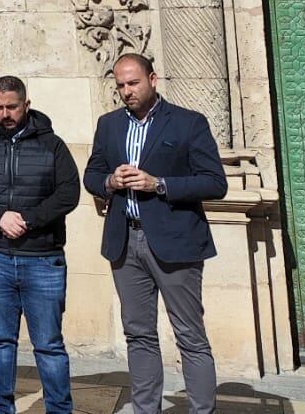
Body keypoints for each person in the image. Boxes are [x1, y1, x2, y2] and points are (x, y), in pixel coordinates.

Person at [84, 54, 227, 414]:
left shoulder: (188, 123)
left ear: (152, 79)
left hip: (175, 242)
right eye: (120, 85)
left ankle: (201, 410)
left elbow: (214, 183)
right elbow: (91, 174)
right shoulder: (109, 125)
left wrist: (158, 183)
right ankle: (146, 409)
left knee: (190, 336)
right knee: (138, 334)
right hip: (124, 241)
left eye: (133, 83)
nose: (126, 91)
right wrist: (109, 182)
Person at [0, 75, 80, 414]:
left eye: (11, 106)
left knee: (49, 345)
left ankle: (58, 409)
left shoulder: (52, 145)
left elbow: (68, 192)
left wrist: (28, 219)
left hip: (43, 259)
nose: (5, 113)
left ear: (26, 105)